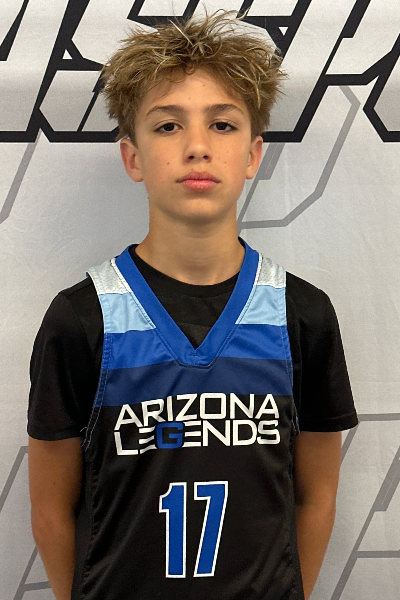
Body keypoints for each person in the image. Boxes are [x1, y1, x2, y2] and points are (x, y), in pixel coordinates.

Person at [28, 10, 358, 600]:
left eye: (223, 125)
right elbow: (52, 512)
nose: (198, 147)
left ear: (253, 154)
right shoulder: (83, 319)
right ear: (133, 157)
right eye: (168, 126)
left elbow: (317, 497)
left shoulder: (301, 315)